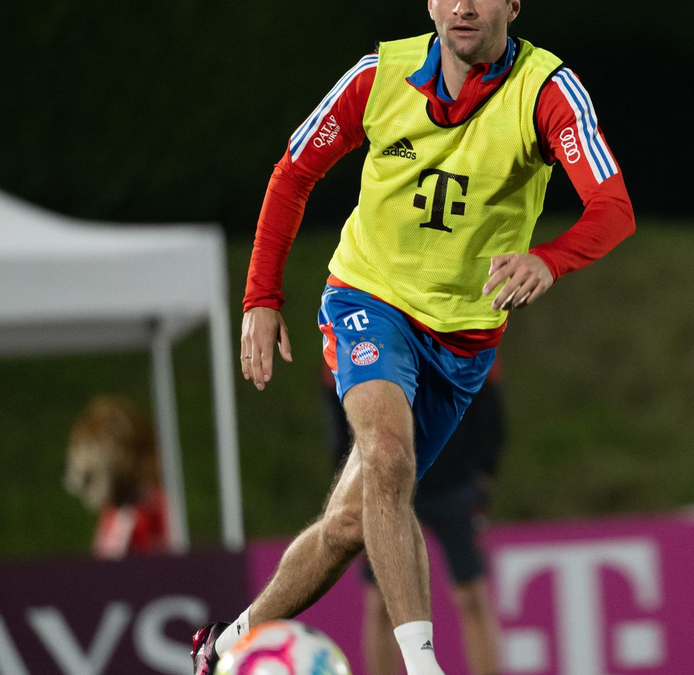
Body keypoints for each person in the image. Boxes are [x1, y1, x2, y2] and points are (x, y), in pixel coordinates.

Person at [190, 1, 635, 673]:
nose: (462, 6)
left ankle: (223, 647)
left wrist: (549, 257)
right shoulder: (380, 74)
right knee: (389, 458)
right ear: (429, 3)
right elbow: (293, 170)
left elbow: (613, 208)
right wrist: (261, 296)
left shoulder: (545, 90)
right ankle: (424, 666)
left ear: (512, 4)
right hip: (370, 300)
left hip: (462, 344)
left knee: (346, 526)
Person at [323, 361, 506, 675]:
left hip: (455, 483)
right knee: (381, 602)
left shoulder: (458, 319)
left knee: (471, 594)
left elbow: (488, 402)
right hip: (386, 486)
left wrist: (481, 470)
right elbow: (340, 416)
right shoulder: (355, 324)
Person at [63, 395, 169, 559]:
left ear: (123, 463)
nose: (73, 485)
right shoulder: (114, 513)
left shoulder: (131, 521)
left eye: (89, 476)